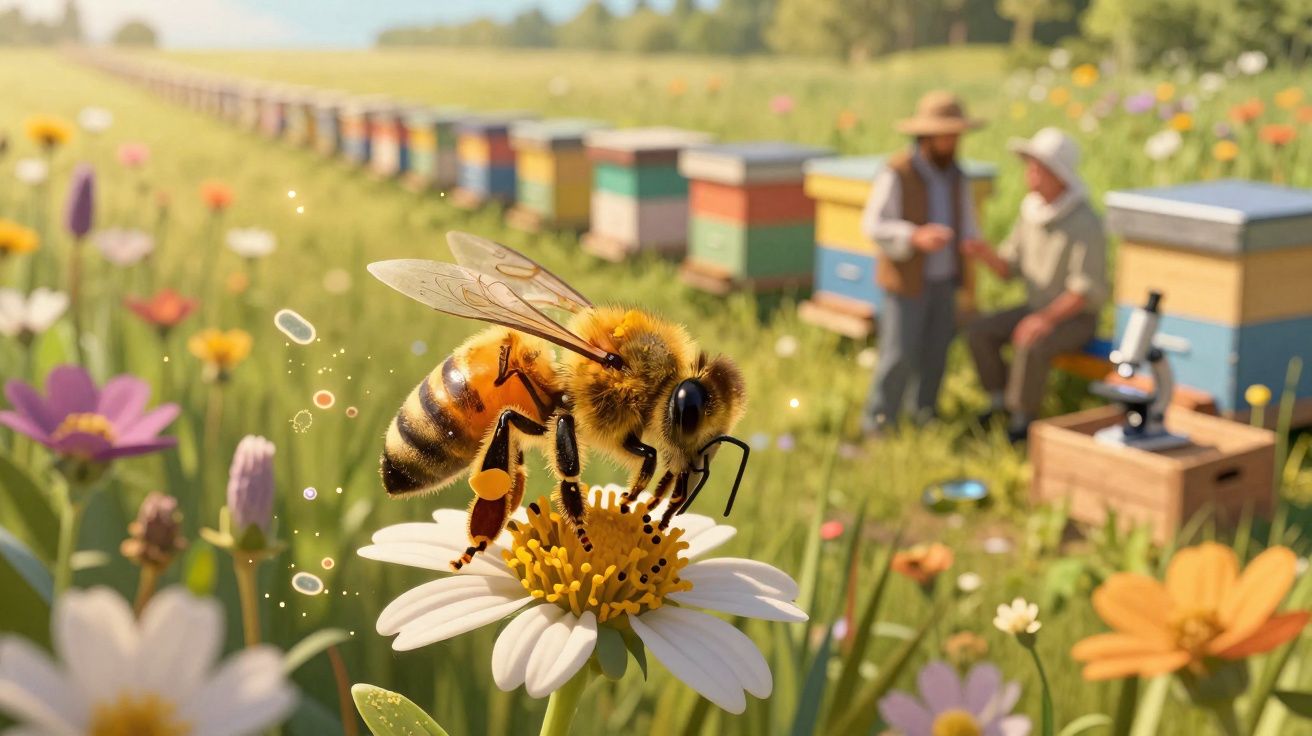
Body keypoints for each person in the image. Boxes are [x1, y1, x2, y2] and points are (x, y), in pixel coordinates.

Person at [963, 127, 1108, 442]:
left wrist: (1044, 319)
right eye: (1030, 167)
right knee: (979, 330)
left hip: (1075, 319)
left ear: (1060, 176)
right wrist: (983, 253)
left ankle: (1021, 423)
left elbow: (1084, 290)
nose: (1031, 175)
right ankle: (998, 402)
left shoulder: (1085, 222)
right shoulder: (1031, 212)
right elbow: (1008, 268)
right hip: (1037, 307)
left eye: (1039, 168)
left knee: (1031, 341)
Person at [860, 90, 986, 436]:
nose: (953, 140)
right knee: (898, 356)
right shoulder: (897, 172)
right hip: (906, 281)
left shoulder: (957, 174)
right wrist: (915, 237)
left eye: (956, 134)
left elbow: (967, 219)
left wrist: (973, 243)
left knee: (936, 353)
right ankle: (879, 424)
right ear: (927, 135)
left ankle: (923, 416)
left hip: (945, 279)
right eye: (947, 134)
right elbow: (873, 224)